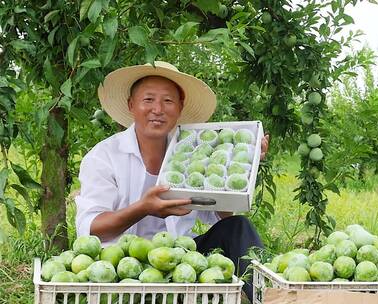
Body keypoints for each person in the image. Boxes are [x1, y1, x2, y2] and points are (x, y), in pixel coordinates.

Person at [75, 61, 268, 302]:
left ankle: (270, 298)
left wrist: (243, 165)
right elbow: (92, 229)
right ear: (131, 105)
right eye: (148, 100)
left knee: (238, 227)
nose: (158, 109)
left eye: (167, 101)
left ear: (180, 108)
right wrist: (143, 209)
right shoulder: (104, 156)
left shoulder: (193, 153)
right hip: (121, 264)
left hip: (180, 259)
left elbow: (222, 216)